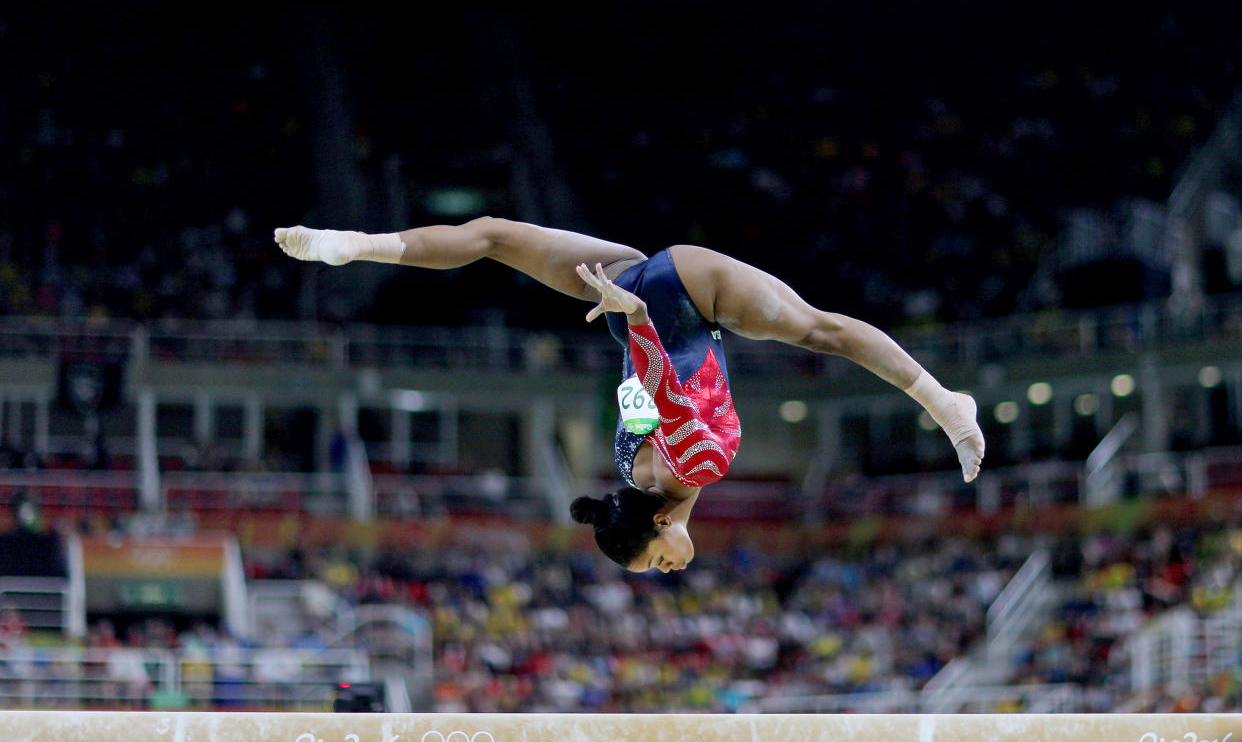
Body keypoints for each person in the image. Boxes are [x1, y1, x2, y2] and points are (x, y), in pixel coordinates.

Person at [275, 219, 984, 573]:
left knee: (822, 332)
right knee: (492, 236)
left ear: (659, 526)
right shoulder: (631, 468)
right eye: (662, 570)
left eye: (657, 561)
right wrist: (631, 317)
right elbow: (639, 392)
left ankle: (944, 401)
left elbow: (664, 385)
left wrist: (642, 321)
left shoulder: (691, 468)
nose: (671, 567)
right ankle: (354, 244)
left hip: (677, 303)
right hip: (627, 298)